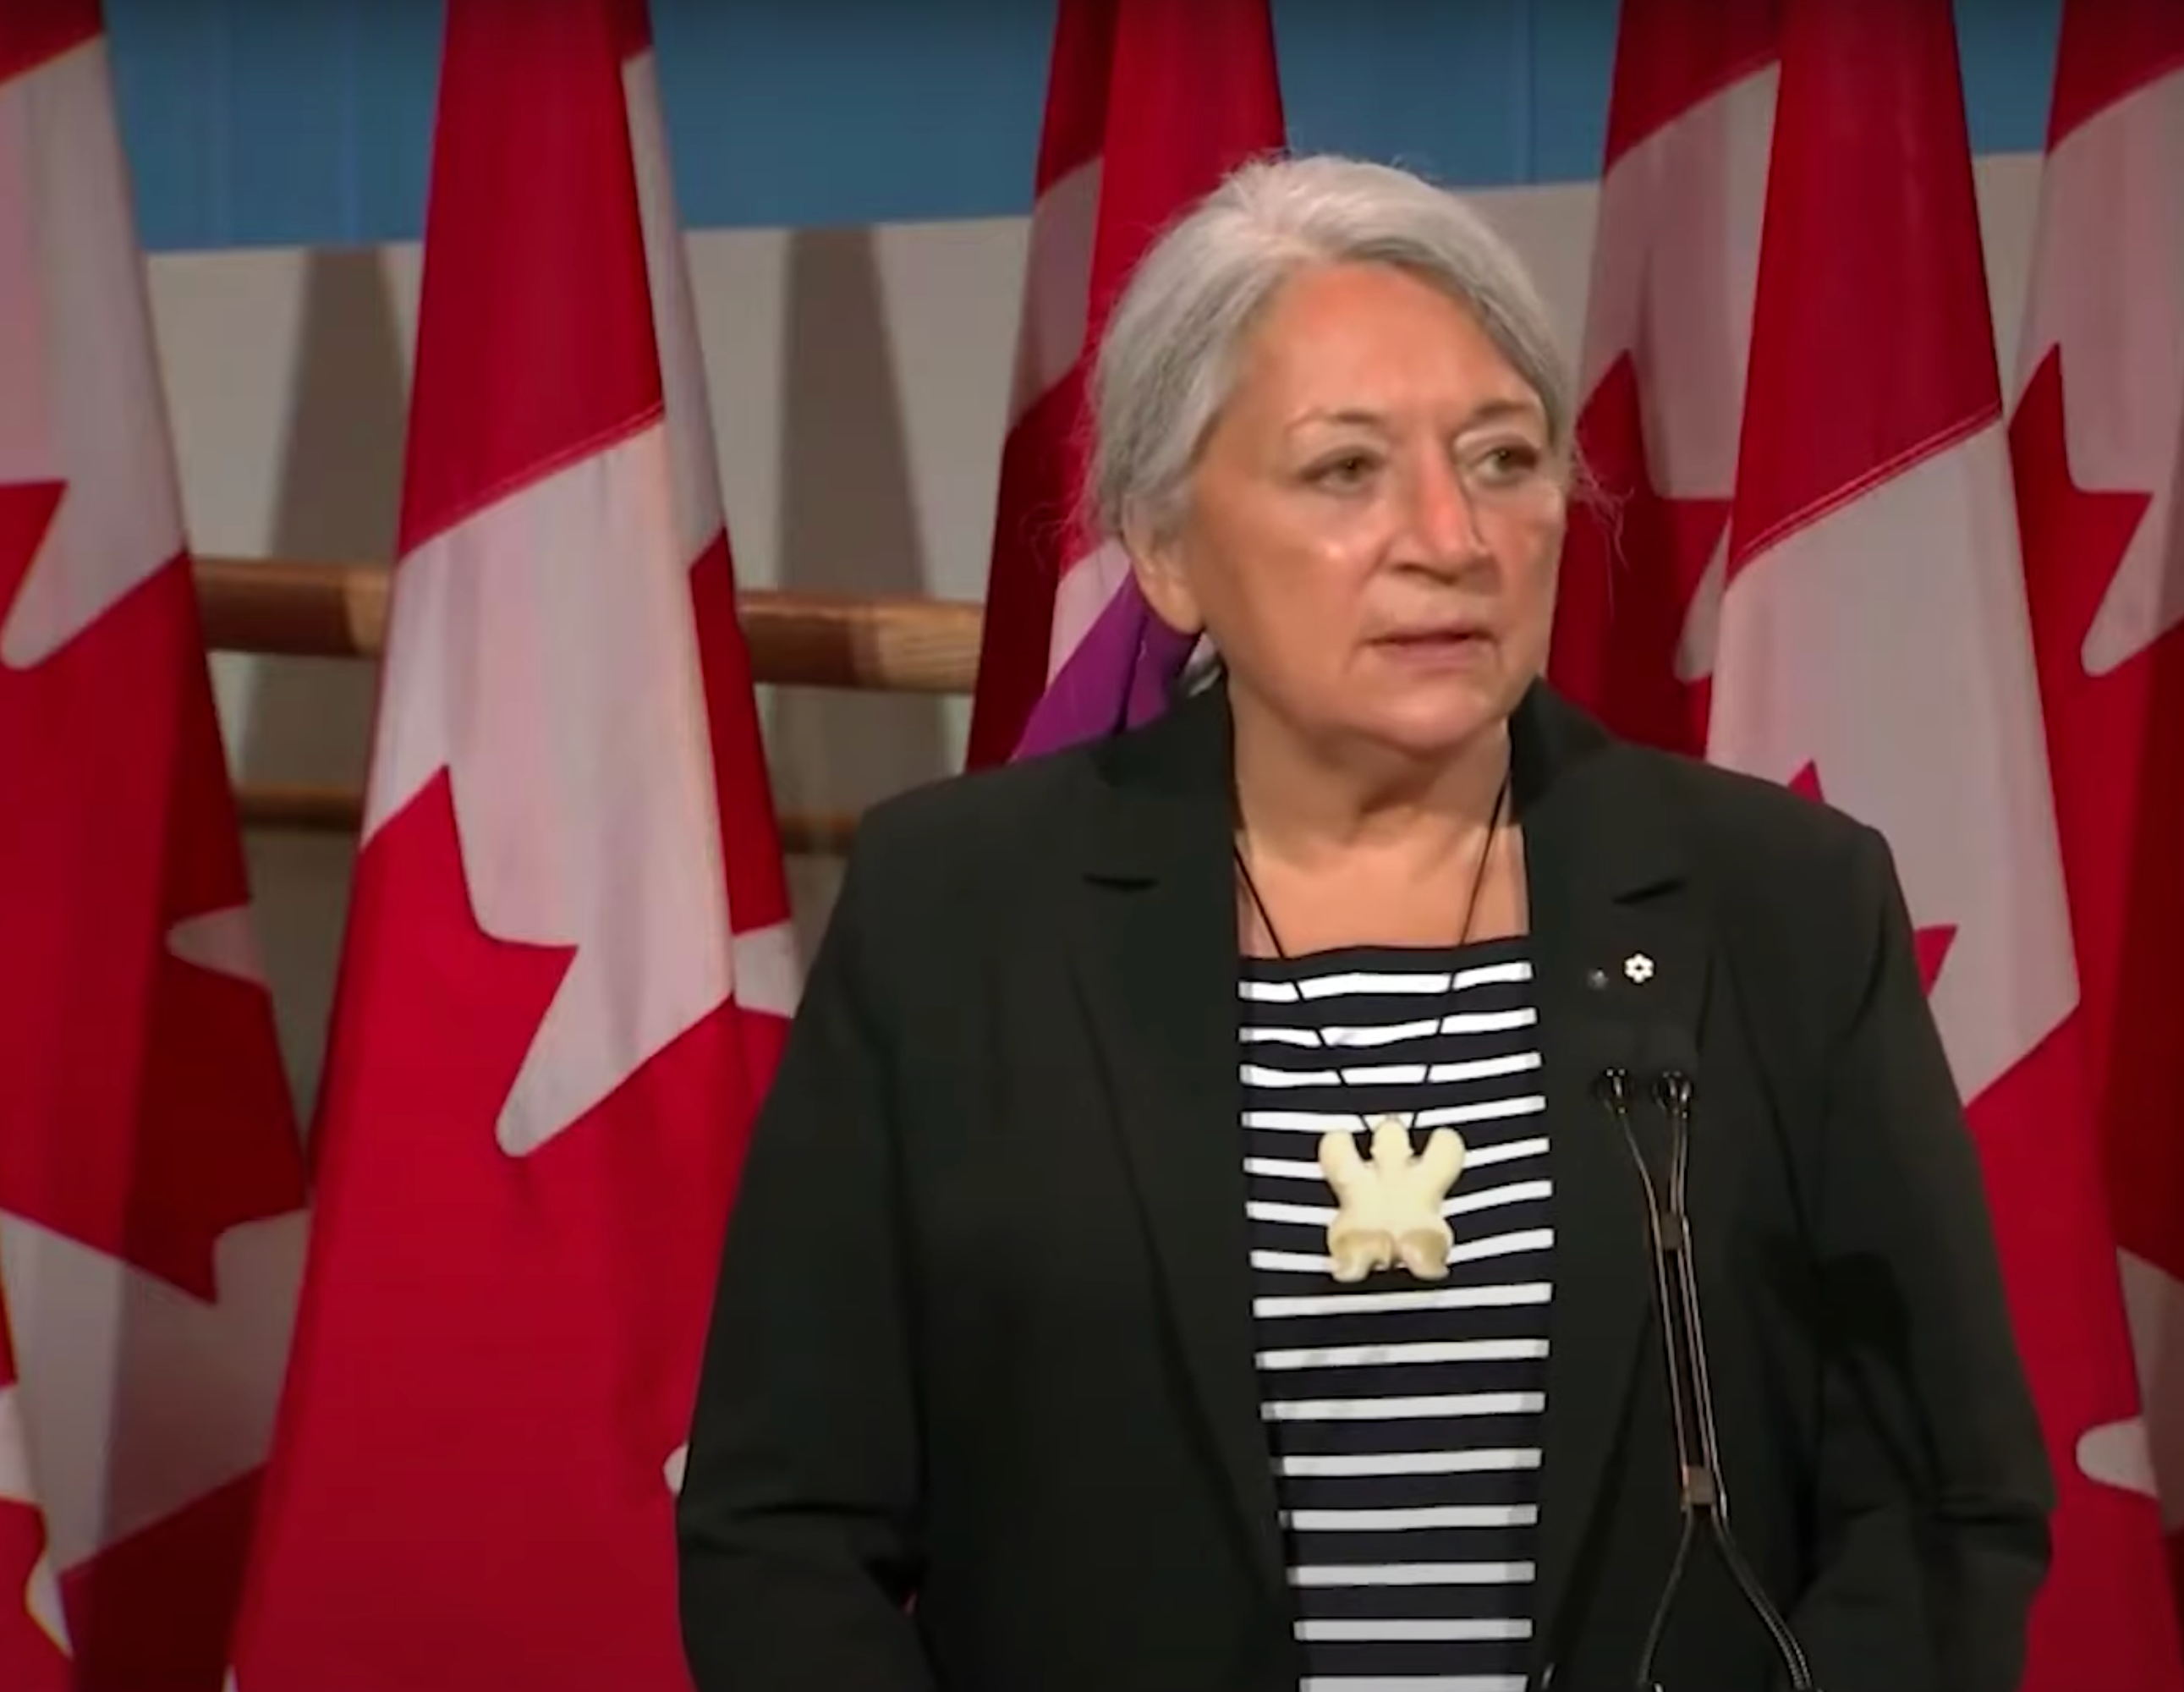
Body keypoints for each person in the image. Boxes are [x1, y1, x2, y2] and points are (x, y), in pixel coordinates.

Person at [672, 152, 2053, 1692]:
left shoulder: (1777, 904)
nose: (1452, 536)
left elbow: (1941, 1500)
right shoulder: (958, 915)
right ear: (1167, 546)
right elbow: (785, 1533)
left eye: (1505, 457)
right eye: (1345, 471)